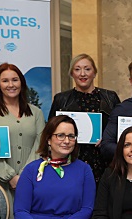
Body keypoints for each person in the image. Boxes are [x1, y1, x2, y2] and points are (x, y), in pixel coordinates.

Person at [0, 63, 46, 219]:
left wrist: (23, 177)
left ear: (21, 82)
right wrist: (10, 176)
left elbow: (40, 145)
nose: (11, 85)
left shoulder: (35, 112)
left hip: (30, 182)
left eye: (15, 80)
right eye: (5, 80)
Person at [48, 54, 120, 183]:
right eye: (77, 69)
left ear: (94, 73)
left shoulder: (110, 98)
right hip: (71, 160)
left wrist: (109, 139)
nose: (82, 74)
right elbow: (50, 130)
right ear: (72, 73)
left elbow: (120, 130)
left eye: (87, 69)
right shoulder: (61, 99)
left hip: (104, 162)